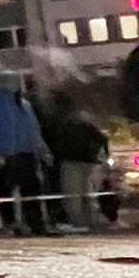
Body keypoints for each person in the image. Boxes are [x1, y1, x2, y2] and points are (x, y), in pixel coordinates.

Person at [0, 72, 56, 236]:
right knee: (6, 190)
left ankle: (36, 224)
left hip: (27, 152)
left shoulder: (24, 104)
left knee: (32, 190)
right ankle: (10, 223)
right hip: (7, 153)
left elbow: (33, 129)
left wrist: (42, 149)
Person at [40, 92, 108, 231]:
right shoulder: (82, 118)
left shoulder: (58, 120)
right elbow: (102, 138)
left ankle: (77, 223)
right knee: (87, 194)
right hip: (88, 161)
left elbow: (51, 140)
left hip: (70, 161)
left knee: (72, 195)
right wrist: (104, 154)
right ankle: (92, 221)